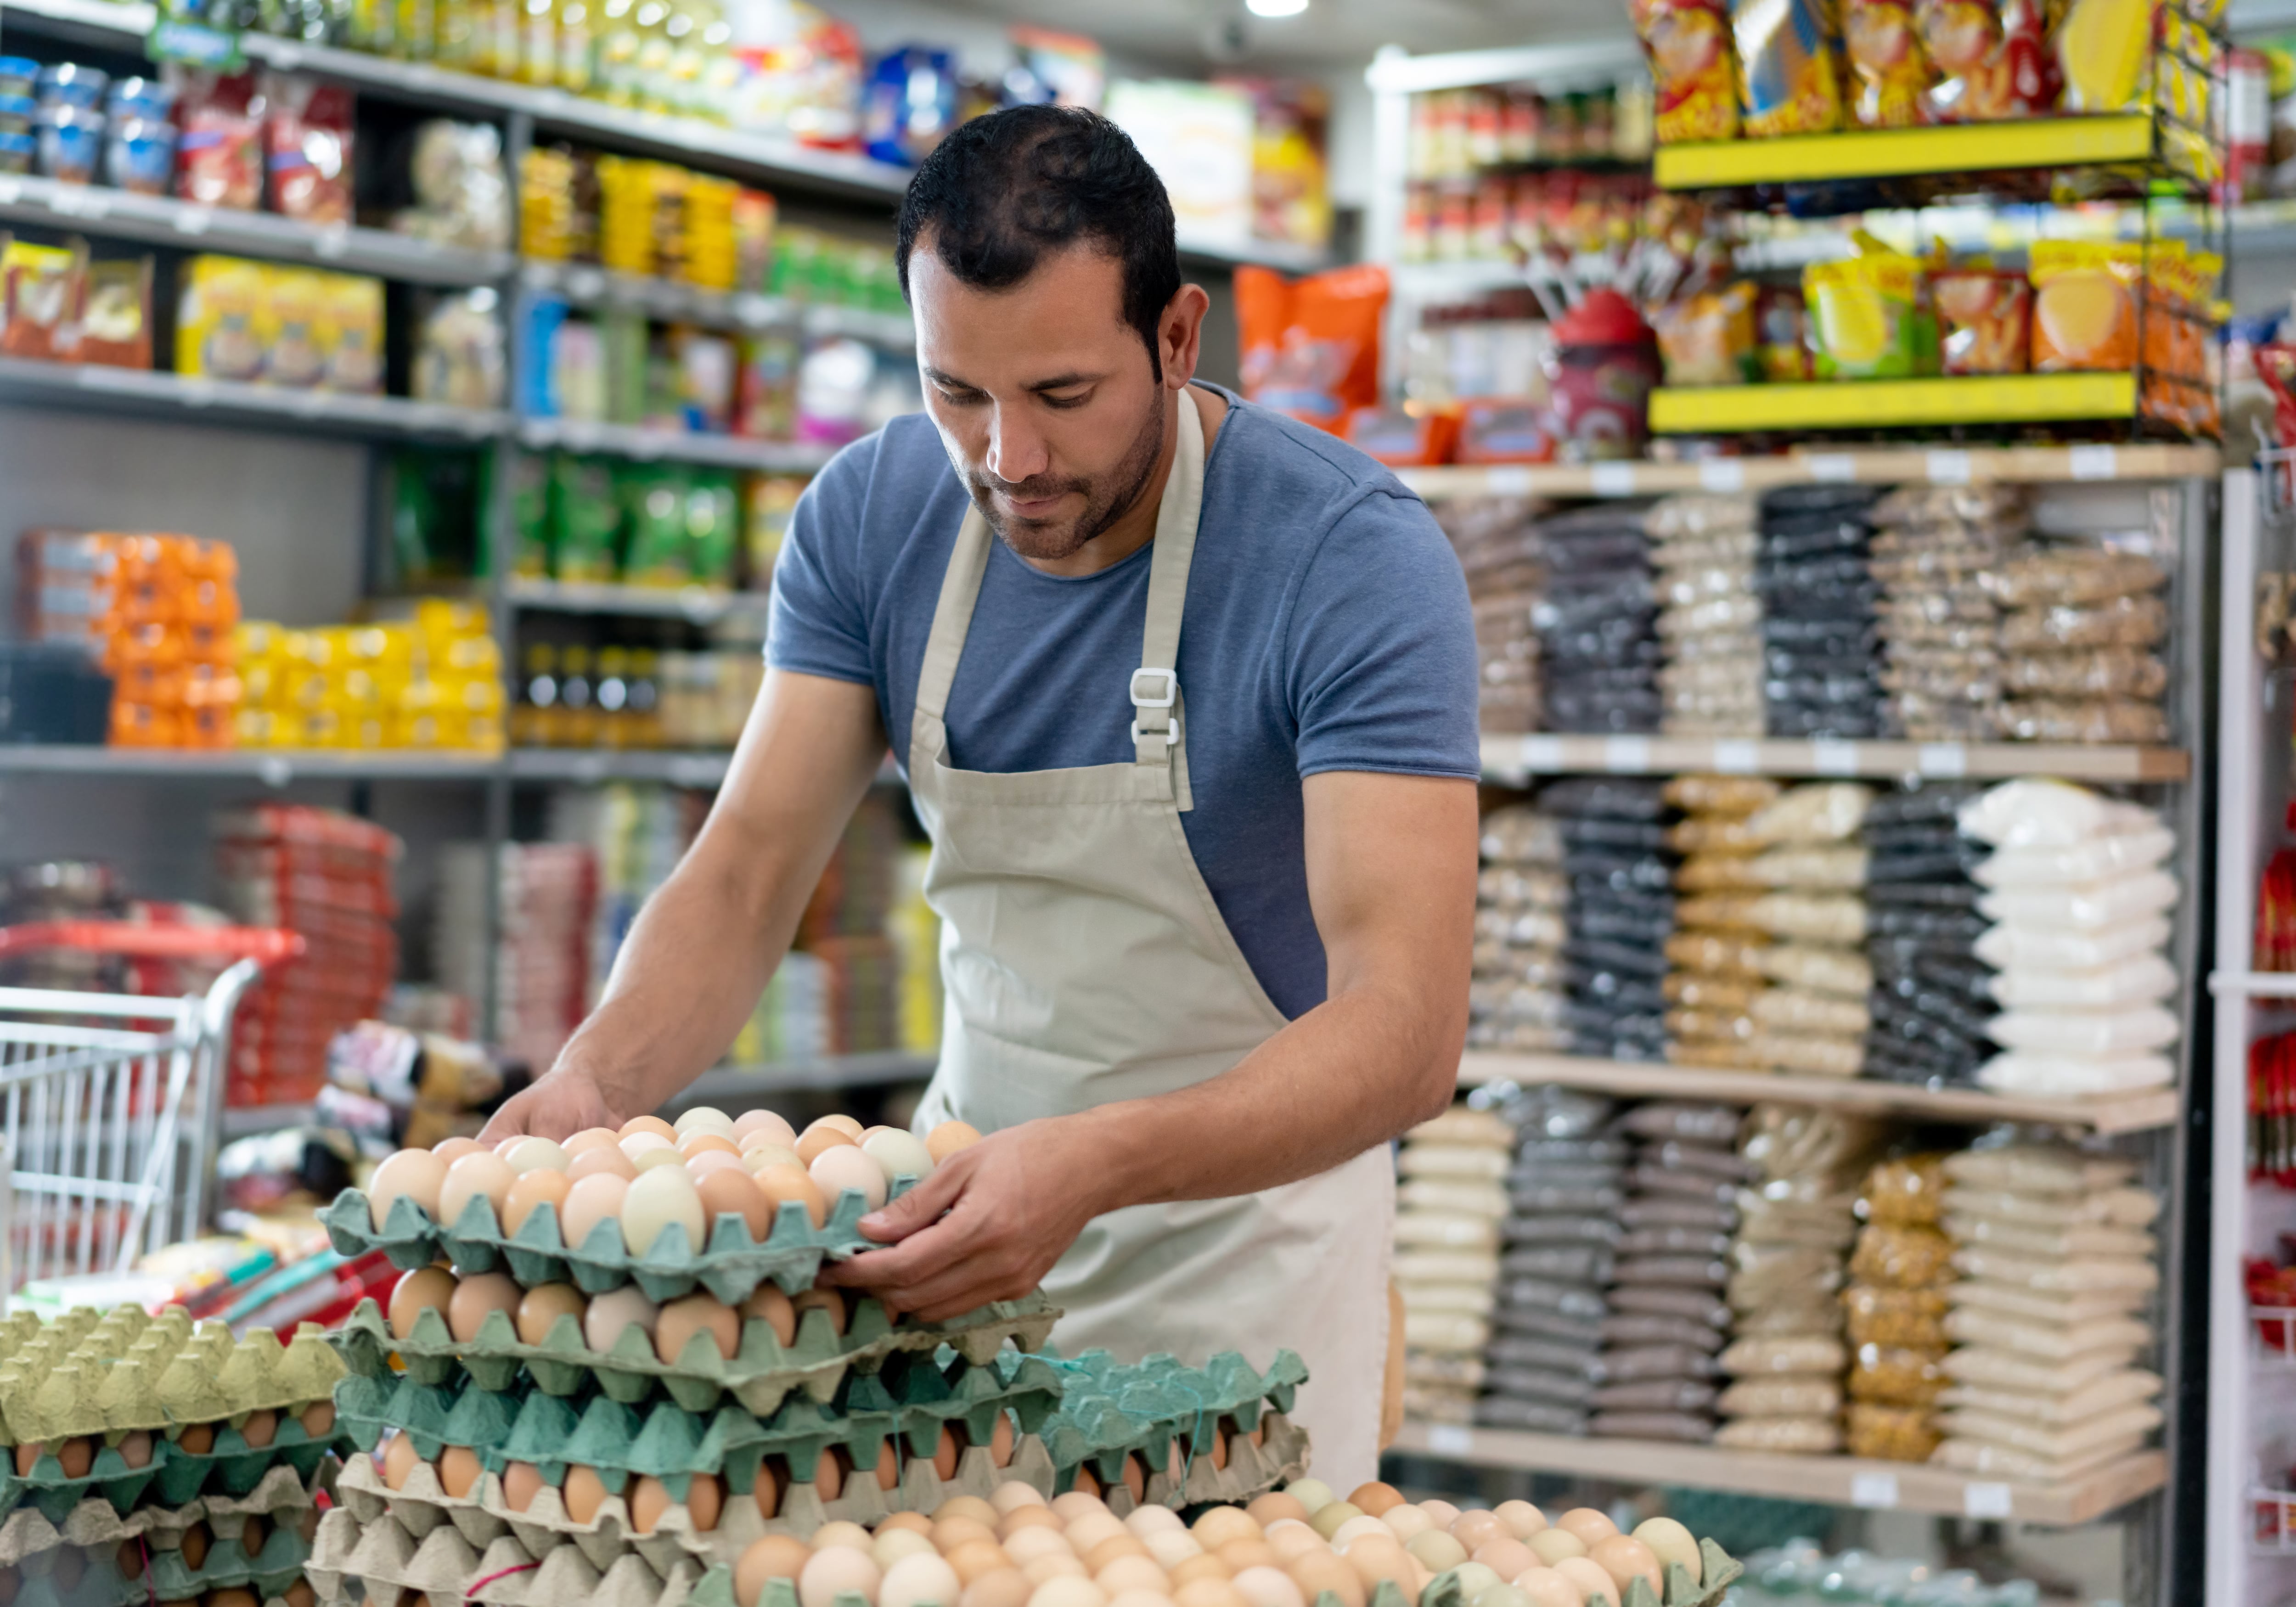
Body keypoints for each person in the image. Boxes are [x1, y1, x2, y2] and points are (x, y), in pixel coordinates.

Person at [482, 104, 1480, 1486]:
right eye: (958, 392)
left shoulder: (1347, 559)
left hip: (1248, 1283)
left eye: (1063, 396)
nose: (1009, 457)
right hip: (963, 1264)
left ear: (1179, 337)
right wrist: (598, 1077)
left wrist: (1090, 1165)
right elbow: (748, 869)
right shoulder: (871, 519)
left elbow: (1407, 1026)